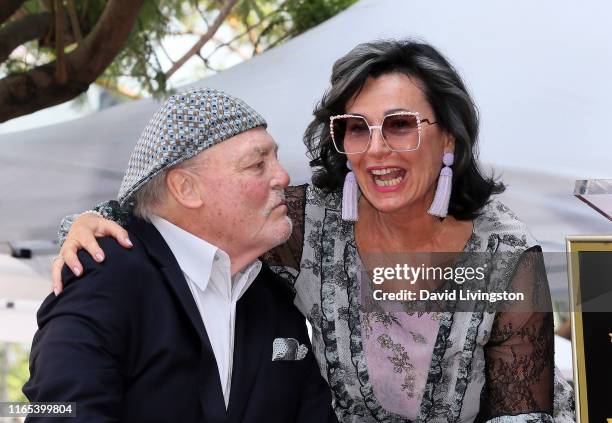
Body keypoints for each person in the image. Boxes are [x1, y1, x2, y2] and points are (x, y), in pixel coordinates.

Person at [51, 40, 575, 422]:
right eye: (356, 128)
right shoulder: (306, 226)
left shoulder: (506, 256)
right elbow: (184, 215)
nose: (376, 149)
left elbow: (521, 413)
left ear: (449, 142)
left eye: (399, 124)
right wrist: (86, 223)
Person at [24, 88, 337, 422]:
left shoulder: (272, 298)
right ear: (186, 188)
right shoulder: (107, 273)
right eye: (258, 164)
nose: (283, 176)